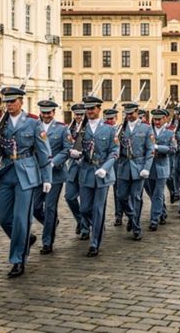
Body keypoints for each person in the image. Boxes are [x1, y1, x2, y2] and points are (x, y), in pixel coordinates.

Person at [0, 87, 52, 278]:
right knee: (4, 217)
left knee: (22, 219)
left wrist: (47, 177)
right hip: (7, 171)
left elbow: (43, 150)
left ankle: (18, 259)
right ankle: (26, 239)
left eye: (12, 101)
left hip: (27, 172)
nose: (9, 105)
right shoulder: (1, 121)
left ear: (21, 102)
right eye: (6, 102)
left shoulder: (33, 123)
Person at [70, 95, 119, 257]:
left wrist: (105, 168)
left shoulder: (109, 129)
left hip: (102, 173)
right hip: (86, 171)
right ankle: (96, 226)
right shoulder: (81, 129)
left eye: (92, 108)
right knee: (84, 209)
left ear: (99, 109)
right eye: (87, 109)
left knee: (98, 209)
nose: (89, 111)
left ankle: (94, 243)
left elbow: (115, 151)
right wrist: (75, 153)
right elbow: (77, 149)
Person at [33, 100, 72, 254]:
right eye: (44, 113)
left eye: (49, 113)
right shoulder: (35, 126)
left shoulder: (62, 129)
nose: (46, 115)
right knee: (35, 207)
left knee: (50, 207)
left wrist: (53, 163)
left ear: (53, 113)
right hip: (38, 174)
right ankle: (51, 223)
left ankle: (47, 242)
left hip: (55, 174)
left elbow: (67, 150)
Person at [116, 102, 154, 241]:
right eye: (127, 113)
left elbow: (150, 150)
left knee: (136, 197)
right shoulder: (120, 128)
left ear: (137, 112)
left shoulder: (146, 128)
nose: (129, 116)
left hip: (139, 167)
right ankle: (132, 217)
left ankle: (136, 227)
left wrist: (146, 168)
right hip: (124, 166)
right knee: (121, 197)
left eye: (132, 113)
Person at [145, 108, 176, 231]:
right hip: (150, 167)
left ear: (165, 119)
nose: (157, 121)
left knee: (158, 194)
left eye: (159, 119)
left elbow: (173, 149)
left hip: (163, 167)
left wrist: (158, 147)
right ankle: (162, 212)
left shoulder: (169, 133)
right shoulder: (148, 131)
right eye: (155, 119)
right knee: (153, 194)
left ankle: (154, 219)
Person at [65, 103, 85, 234]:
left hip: (86, 167)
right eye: (76, 114)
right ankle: (80, 220)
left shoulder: (90, 127)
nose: (78, 117)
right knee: (69, 197)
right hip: (72, 166)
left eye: (81, 114)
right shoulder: (69, 129)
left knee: (86, 200)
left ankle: (86, 227)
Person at [103, 107, 123, 226]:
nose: (110, 121)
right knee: (102, 194)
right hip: (104, 164)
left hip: (118, 164)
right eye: (107, 119)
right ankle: (100, 218)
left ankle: (118, 215)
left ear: (116, 119)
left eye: (112, 119)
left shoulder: (121, 130)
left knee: (118, 192)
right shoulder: (102, 130)